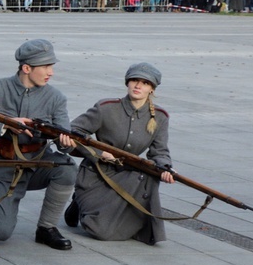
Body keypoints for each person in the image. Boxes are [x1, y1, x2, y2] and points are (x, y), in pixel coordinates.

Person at [0, 39, 77, 249]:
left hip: (37, 163)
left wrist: (66, 144)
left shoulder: (56, 97)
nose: (51, 72)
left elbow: (64, 137)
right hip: (2, 166)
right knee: (0, 233)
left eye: (51, 66)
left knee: (67, 169)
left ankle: (46, 228)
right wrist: (6, 124)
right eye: (46, 67)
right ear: (26, 68)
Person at [64, 63, 173, 245]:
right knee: (100, 231)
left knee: (149, 174)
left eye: (145, 83)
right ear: (127, 83)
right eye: (134, 81)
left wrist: (165, 168)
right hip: (96, 175)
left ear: (152, 89)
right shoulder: (105, 108)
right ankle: (80, 203)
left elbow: (159, 151)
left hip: (128, 176)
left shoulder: (160, 117)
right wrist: (100, 153)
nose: (138, 86)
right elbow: (73, 130)